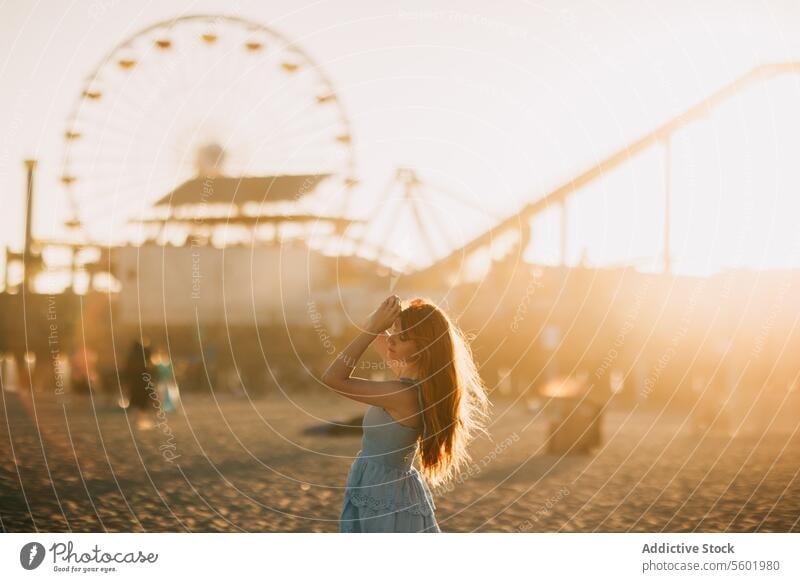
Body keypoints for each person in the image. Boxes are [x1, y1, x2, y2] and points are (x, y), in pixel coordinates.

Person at [322, 295, 489, 533]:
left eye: (402, 336)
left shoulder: (403, 395)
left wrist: (371, 328)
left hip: (385, 494)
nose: (392, 340)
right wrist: (386, 319)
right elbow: (379, 337)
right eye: (394, 332)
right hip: (384, 489)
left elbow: (333, 378)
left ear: (421, 349)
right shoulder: (411, 381)